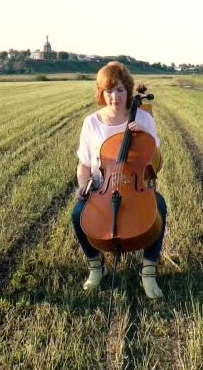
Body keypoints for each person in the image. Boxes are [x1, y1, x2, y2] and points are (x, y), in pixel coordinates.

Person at [71, 61, 166, 299]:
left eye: (121, 90)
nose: (115, 96)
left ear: (129, 90)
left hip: (134, 185)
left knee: (160, 205)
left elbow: (156, 163)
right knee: (77, 213)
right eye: (109, 91)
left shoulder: (142, 119)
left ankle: (148, 271)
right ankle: (96, 265)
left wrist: (143, 136)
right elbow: (83, 164)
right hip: (101, 187)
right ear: (102, 93)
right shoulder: (91, 122)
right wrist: (83, 185)